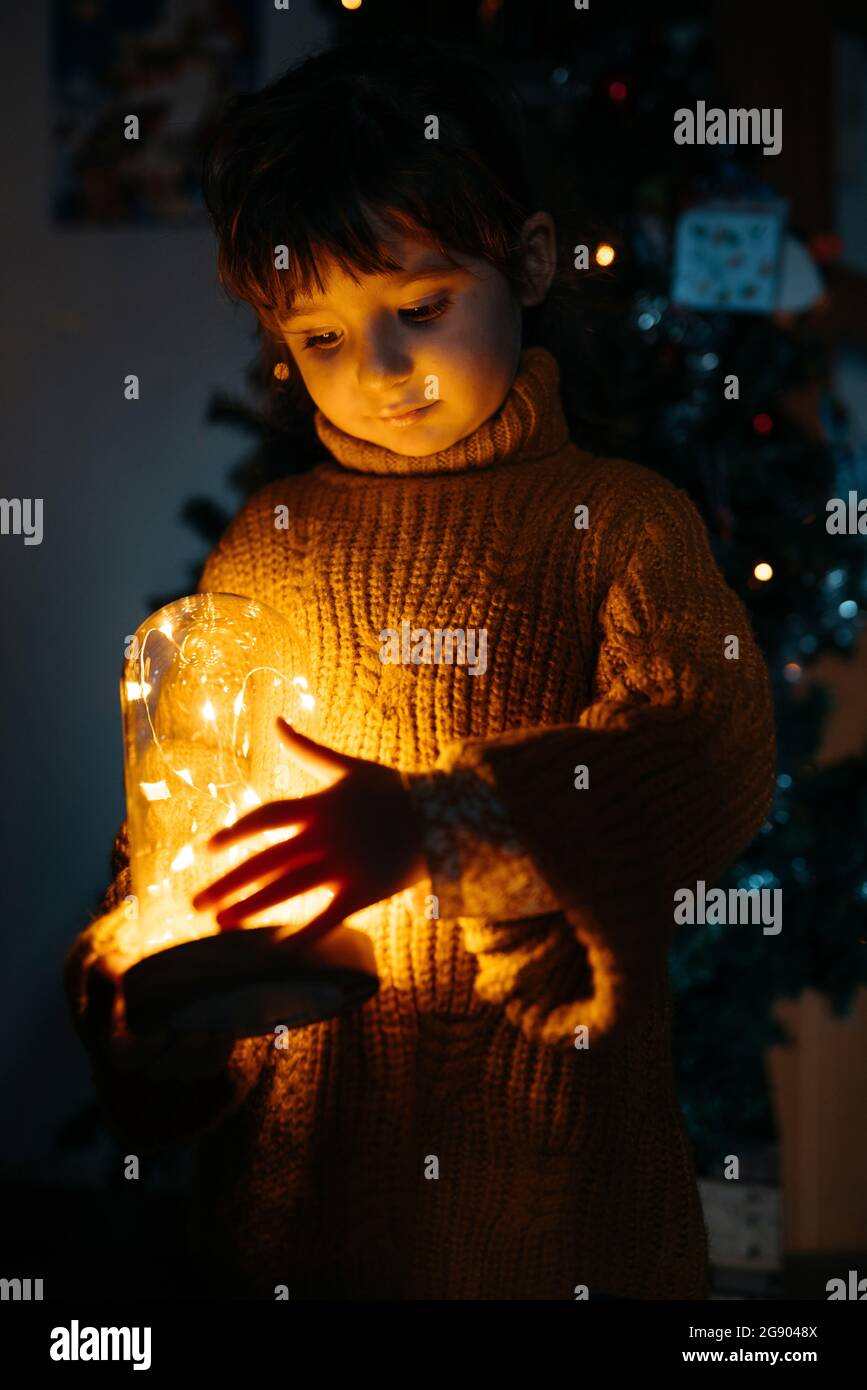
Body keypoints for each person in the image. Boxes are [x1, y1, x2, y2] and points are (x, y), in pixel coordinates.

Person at [64, 35, 776, 1301]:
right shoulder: (269, 548)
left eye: (421, 308)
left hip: (557, 1216)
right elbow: (191, 850)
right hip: (301, 1218)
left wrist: (438, 828)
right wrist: (156, 1013)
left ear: (533, 262)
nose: (377, 373)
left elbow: (707, 754)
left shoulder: (620, 524)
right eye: (323, 335)